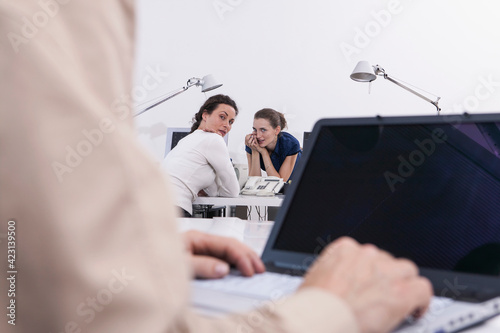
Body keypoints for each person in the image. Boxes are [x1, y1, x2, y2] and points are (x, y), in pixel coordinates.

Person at [0, 2, 432, 333]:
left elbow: (271, 181)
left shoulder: (285, 145)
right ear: (205, 116)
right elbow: (236, 187)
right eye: (226, 118)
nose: (236, 126)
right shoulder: (210, 141)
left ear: (277, 128)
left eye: (240, 122)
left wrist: (136, 255)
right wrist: (329, 310)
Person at [162, 94, 240, 217]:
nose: (227, 125)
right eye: (222, 117)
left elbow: (211, 191)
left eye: (231, 122)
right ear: (205, 115)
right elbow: (233, 191)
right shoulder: (214, 139)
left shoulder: (187, 140)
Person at [245, 108, 302, 182]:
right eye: (255, 129)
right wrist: (255, 151)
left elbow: (279, 183)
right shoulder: (252, 142)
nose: (258, 135)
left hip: (304, 175)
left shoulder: (290, 144)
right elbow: (253, 181)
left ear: (277, 130)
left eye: (263, 130)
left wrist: (264, 153)